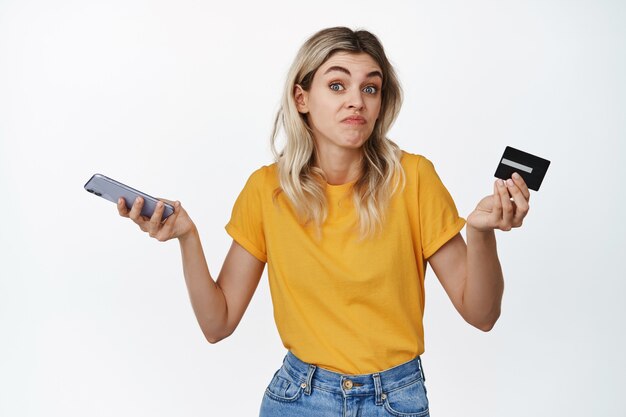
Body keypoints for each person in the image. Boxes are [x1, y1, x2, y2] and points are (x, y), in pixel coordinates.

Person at [117, 27, 530, 417]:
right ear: (302, 98)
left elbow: (482, 315)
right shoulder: (266, 191)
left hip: (394, 400)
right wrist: (187, 237)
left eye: (370, 88)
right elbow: (217, 323)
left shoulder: (414, 179)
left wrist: (481, 234)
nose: (357, 101)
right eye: (337, 85)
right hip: (298, 398)